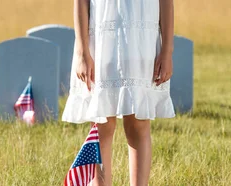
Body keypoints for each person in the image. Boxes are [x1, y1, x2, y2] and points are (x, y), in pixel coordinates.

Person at [62, 0, 175, 185]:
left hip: (140, 41)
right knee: (101, 123)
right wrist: (83, 52)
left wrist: (167, 51)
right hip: (101, 38)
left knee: (138, 122)